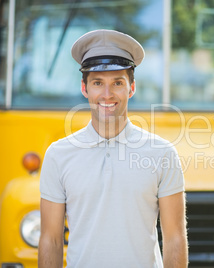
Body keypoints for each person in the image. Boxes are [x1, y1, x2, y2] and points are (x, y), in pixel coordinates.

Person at [38, 29, 188, 268]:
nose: (107, 95)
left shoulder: (163, 153)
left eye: (117, 83)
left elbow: (175, 239)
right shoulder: (58, 155)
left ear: (131, 88)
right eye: (98, 83)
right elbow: (51, 240)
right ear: (85, 88)